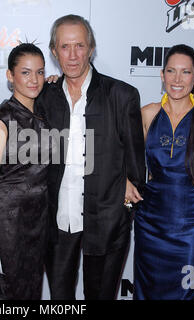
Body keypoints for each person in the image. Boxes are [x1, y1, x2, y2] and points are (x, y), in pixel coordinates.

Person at [35, 14, 145, 300]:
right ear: (53, 51)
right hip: (58, 222)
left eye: (80, 46)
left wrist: (124, 187)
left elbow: (136, 165)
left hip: (107, 220)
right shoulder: (43, 97)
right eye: (65, 47)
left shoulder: (121, 95)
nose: (73, 56)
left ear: (91, 48)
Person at [133, 44, 194, 300]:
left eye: (185, 72)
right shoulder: (147, 114)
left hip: (191, 229)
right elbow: (125, 162)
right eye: (171, 71)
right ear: (162, 75)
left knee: (185, 294)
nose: (177, 79)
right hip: (150, 226)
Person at [0, 43, 50, 299]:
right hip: (9, 225)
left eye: (40, 72)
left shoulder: (45, 112)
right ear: (10, 76)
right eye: (26, 72)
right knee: (6, 295)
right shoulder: (0, 121)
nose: (34, 80)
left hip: (39, 223)